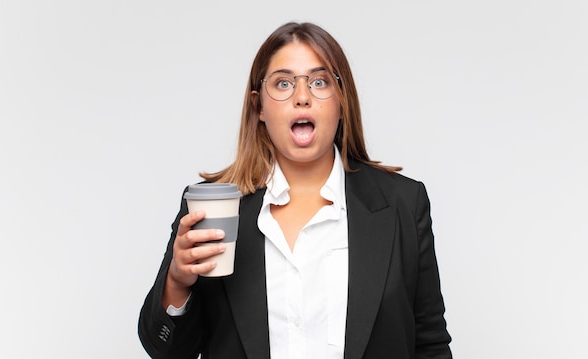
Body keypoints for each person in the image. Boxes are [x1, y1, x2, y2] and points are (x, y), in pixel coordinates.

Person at [138, 21, 452, 359]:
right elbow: (166, 350)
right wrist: (178, 280)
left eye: (319, 82)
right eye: (284, 83)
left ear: (342, 100)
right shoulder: (211, 207)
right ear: (259, 106)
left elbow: (430, 345)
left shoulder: (403, 204)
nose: (302, 98)